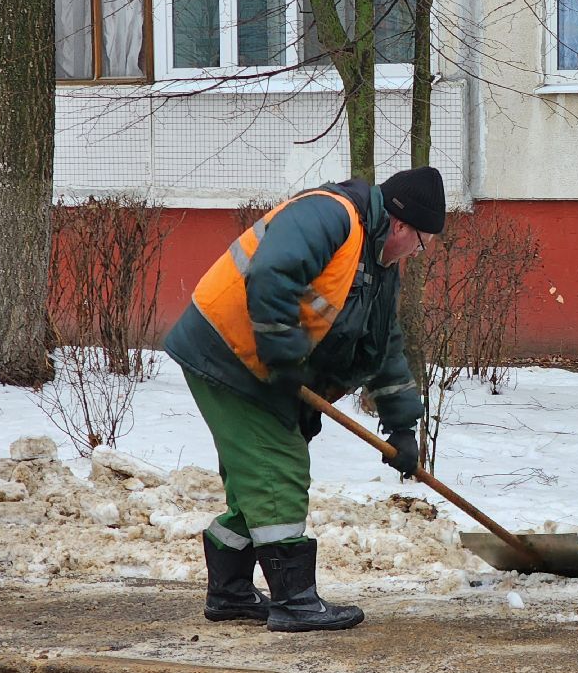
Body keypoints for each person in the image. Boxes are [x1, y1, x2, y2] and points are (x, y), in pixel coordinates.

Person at [164, 167, 446, 633]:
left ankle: (230, 590)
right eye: (421, 241)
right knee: (277, 466)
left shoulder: (376, 263)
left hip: (263, 366)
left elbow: (384, 345)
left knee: (257, 480)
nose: (418, 252)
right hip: (228, 352)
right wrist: (282, 355)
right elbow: (273, 273)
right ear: (400, 225)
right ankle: (294, 600)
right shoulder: (330, 215)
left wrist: (401, 425)